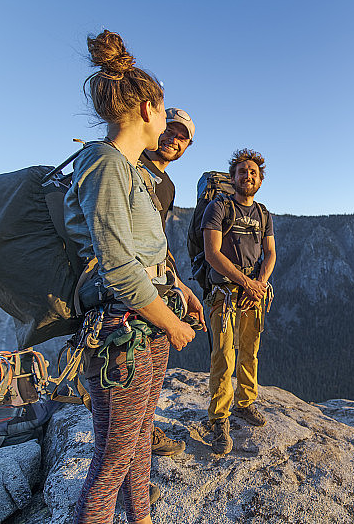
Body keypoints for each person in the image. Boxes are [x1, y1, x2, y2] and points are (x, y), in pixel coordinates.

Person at [64, 30, 200, 524]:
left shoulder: (133, 170)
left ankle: (140, 517)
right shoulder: (103, 165)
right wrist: (172, 323)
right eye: (164, 111)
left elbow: (148, 252)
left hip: (143, 327)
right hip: (122, 334)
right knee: (111, 459)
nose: (166, 122)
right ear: (147, 109)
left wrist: (180, 290)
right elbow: (119, 267)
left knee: (140, 438)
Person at [202, 148, 276, 455]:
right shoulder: (218, 209)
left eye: (253, 172)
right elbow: (212, 253)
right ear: (232, 178)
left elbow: (270, 253)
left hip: (252, 296)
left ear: (260, 180)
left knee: (250, 351)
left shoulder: (263, 214)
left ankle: (246, 402)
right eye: (242, 171)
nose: (248, 176)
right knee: (224, 355)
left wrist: (259, 284)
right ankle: (219, 417)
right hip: (226, 295)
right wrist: (247, 283)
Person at [138, 107, 202, 456]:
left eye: (182, 137)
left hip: (155, 285)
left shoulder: (168, 186)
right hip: (126, 293)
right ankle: (124, 462)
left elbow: (156, 243)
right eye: (170, 130)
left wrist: (180, 286)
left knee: (151, 377)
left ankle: (144, 436)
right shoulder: (128, 165)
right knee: (134, 379)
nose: (173, 139)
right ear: (155, 125)